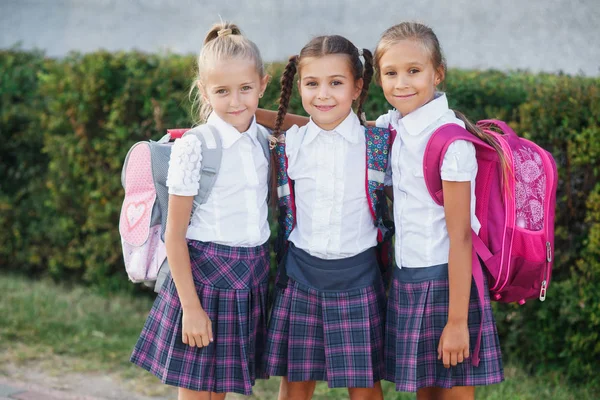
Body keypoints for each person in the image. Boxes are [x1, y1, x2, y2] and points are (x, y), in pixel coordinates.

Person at [130, 22, 271, 399]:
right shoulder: (197, 146)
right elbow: (174, 234)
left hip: (249, 276)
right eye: (222, 91)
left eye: (246, 88)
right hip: (204, 280)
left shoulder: (262, 139)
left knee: (219, 392)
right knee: (196, 393)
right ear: (205, 92)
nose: (236, 101)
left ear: (263, 84)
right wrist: (191, 309)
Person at [374, 21, 504, 399]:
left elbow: (461, 237)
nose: (402, 83)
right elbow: (332, 127)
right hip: (410, 280)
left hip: (449, 283)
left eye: (414, 71)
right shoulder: (393, 125)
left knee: (454, 393)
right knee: (426, 393)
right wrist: (254, 117)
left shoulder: (450, 142)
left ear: (438, 73)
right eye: (391, 73)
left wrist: (458, 322)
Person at [264, 35, 389, 400]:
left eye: (336, 83)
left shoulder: (378, 144)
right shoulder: (289, 145)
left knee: (365, 387)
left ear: (357, 87)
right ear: (299, 85)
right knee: (296, 386)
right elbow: (242, 114)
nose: (323, 94)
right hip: (301, 274)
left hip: (359, 277)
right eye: (312, 83)